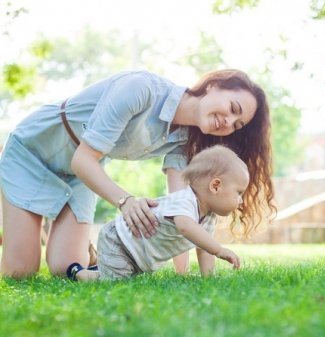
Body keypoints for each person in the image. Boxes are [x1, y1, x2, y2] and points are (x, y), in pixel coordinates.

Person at [0, 69, 276, 278]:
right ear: (214, 86)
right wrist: (126, 201)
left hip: (77, 177)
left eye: (236, 124)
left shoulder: (184, 140)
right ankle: (25, 230)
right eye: (232, 108)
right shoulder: (141, 88)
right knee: (20, 272)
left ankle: (80, 246)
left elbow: (181, 207)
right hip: (32, 154)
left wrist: (184, 274)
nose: (227, 122)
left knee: (64, 268)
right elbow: (83, 160)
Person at [67, 145, 246, 281]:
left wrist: (209, 280)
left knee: (124, 278)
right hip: (119, 241)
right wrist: (219, 250)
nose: (241, 200)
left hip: (138, 256)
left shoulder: (209, 218)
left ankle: (97, 269)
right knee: (115, 284)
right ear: (215, 186)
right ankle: (80, 274)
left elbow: (204, 248)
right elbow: (185, 226)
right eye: (239, 193)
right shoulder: (185, 201)